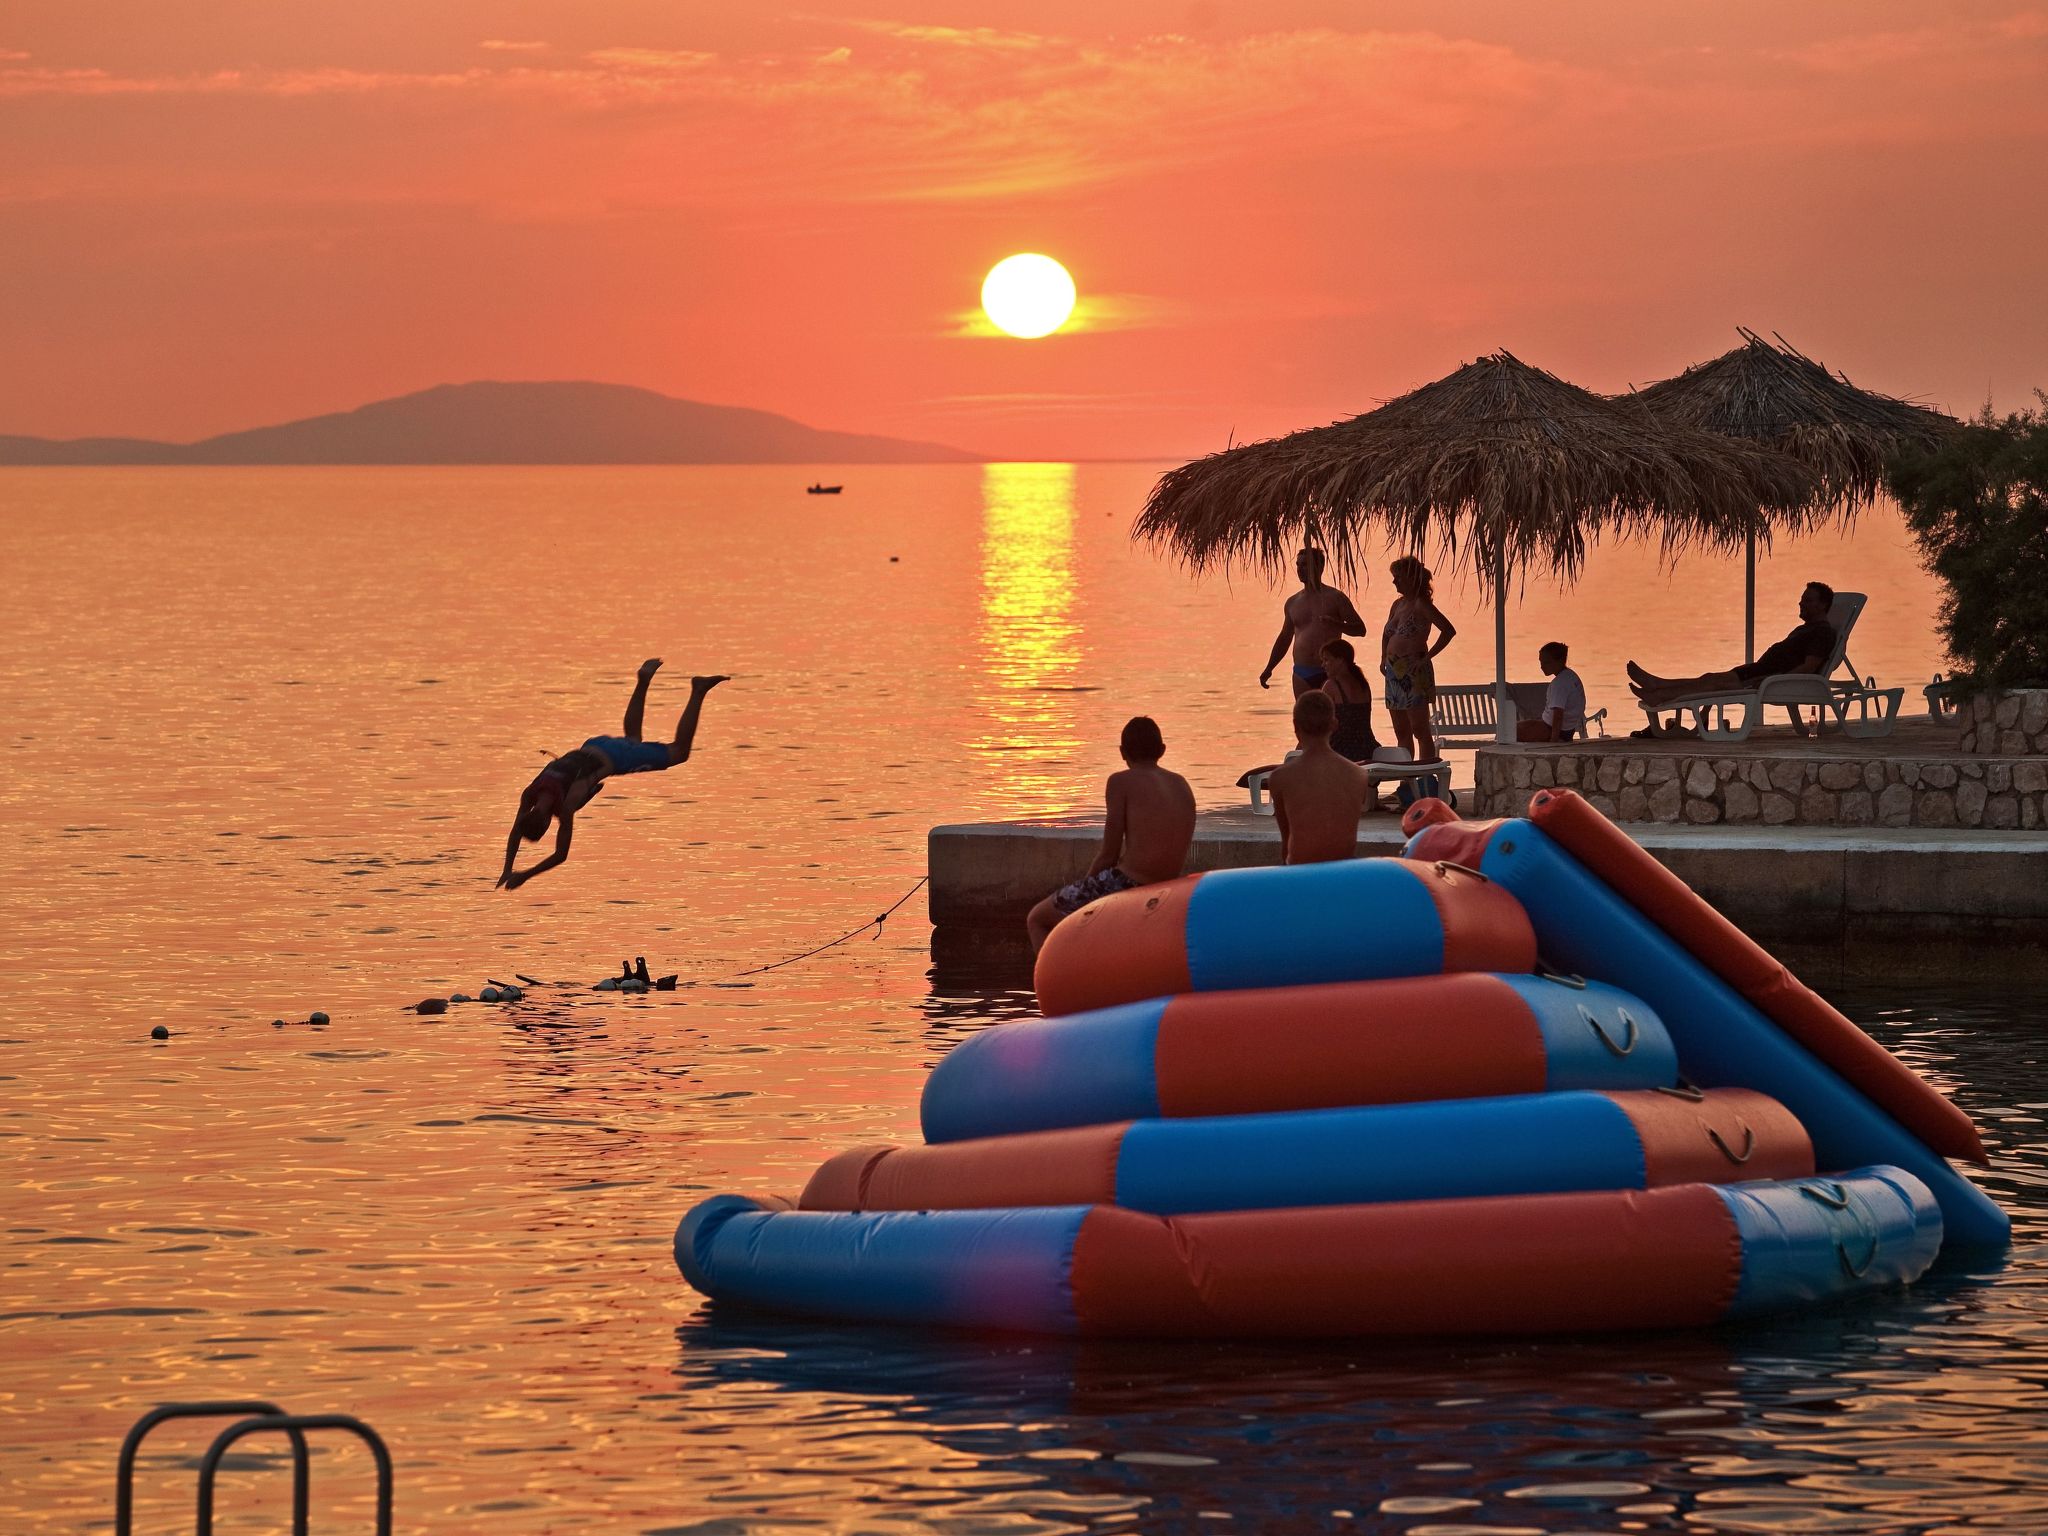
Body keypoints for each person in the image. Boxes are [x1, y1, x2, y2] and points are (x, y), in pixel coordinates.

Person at [498, 659, 728, 891]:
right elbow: (516, 829)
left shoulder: (565, 807)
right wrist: (507, 868)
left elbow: (561, 855)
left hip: (615, 757)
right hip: (592, 744)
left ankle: (698, 690)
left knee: (680, 752)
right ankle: (644, 679)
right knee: (633, 740)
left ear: (548, 822)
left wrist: (525, 875)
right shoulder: (530, 792)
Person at [1027, 716, 1196, 954]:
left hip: (1130, 882)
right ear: (1162, 750)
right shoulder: (1181, 784)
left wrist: (1085, 892)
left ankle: (1054, 986)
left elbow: (1109, 854)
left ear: (1122, 752)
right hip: (1170, 885)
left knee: (1037, 919)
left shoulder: (1120, 782)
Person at [1629, 582, 1836, 718]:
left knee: (1713, 683)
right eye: (1802, 599)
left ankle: (1659, 694)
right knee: (1710, 679)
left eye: (1807, 600)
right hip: (1761, 673)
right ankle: (1658, 685)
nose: (1800, 603)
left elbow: (1809, 667)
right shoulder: (1806, 629)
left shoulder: (1822, 633)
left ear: (1822, 605)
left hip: (1768, 678)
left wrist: (1773, 680)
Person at [1267, 692, 1373, 864]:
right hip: (1343, 871)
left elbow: (1286, 843)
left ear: (1295, 726)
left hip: (1300, 871)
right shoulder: (1358, 775)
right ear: (1334, 724)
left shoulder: (1280, 778)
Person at [1259, 547, 1367, 697]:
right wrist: (1269, 667)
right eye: (1298, 564)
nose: (1300, 569)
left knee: (1332, 717)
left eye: (1305, 565)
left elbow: (1360, 630)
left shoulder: (1335, 597)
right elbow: (1284, 638)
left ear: (1320, 567)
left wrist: (1337, 624)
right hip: (1301, 671)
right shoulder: (1293, 602)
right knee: (1306, 718)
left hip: (1329, 670)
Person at [1380, 556, 1455, 765]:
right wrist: (1382, 658)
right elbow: (1386, 634)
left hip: (1414, 670)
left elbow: (1448, 631)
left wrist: (1427, 657)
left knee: (1419, 729)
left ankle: (1426, 776)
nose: (1395, 582)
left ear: (1411, 578)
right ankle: (1406, 778)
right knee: (1401, 730)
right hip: (1394, 670)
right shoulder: (1397, 604)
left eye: (1398, 577)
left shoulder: (1422, 605)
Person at [1318, 637, 1380, 762]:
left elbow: (1319, 723)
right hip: (1367, 750)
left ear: (1340, 660)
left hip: (1341, 752)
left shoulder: (1331, 685)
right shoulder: (1363, 684)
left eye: (1326, 660)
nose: (1323, 665)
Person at [1517, 641, 1587, 742]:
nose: (1542, 666)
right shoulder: (1571, 676)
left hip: (1552, 730)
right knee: (1520, 725)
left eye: (1546, 662)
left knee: (1509, 731)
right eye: (1540, 662)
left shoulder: (1560, 684)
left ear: (1560, 661)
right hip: (1568, 730)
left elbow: (1558, 714)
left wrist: (1554, 740)